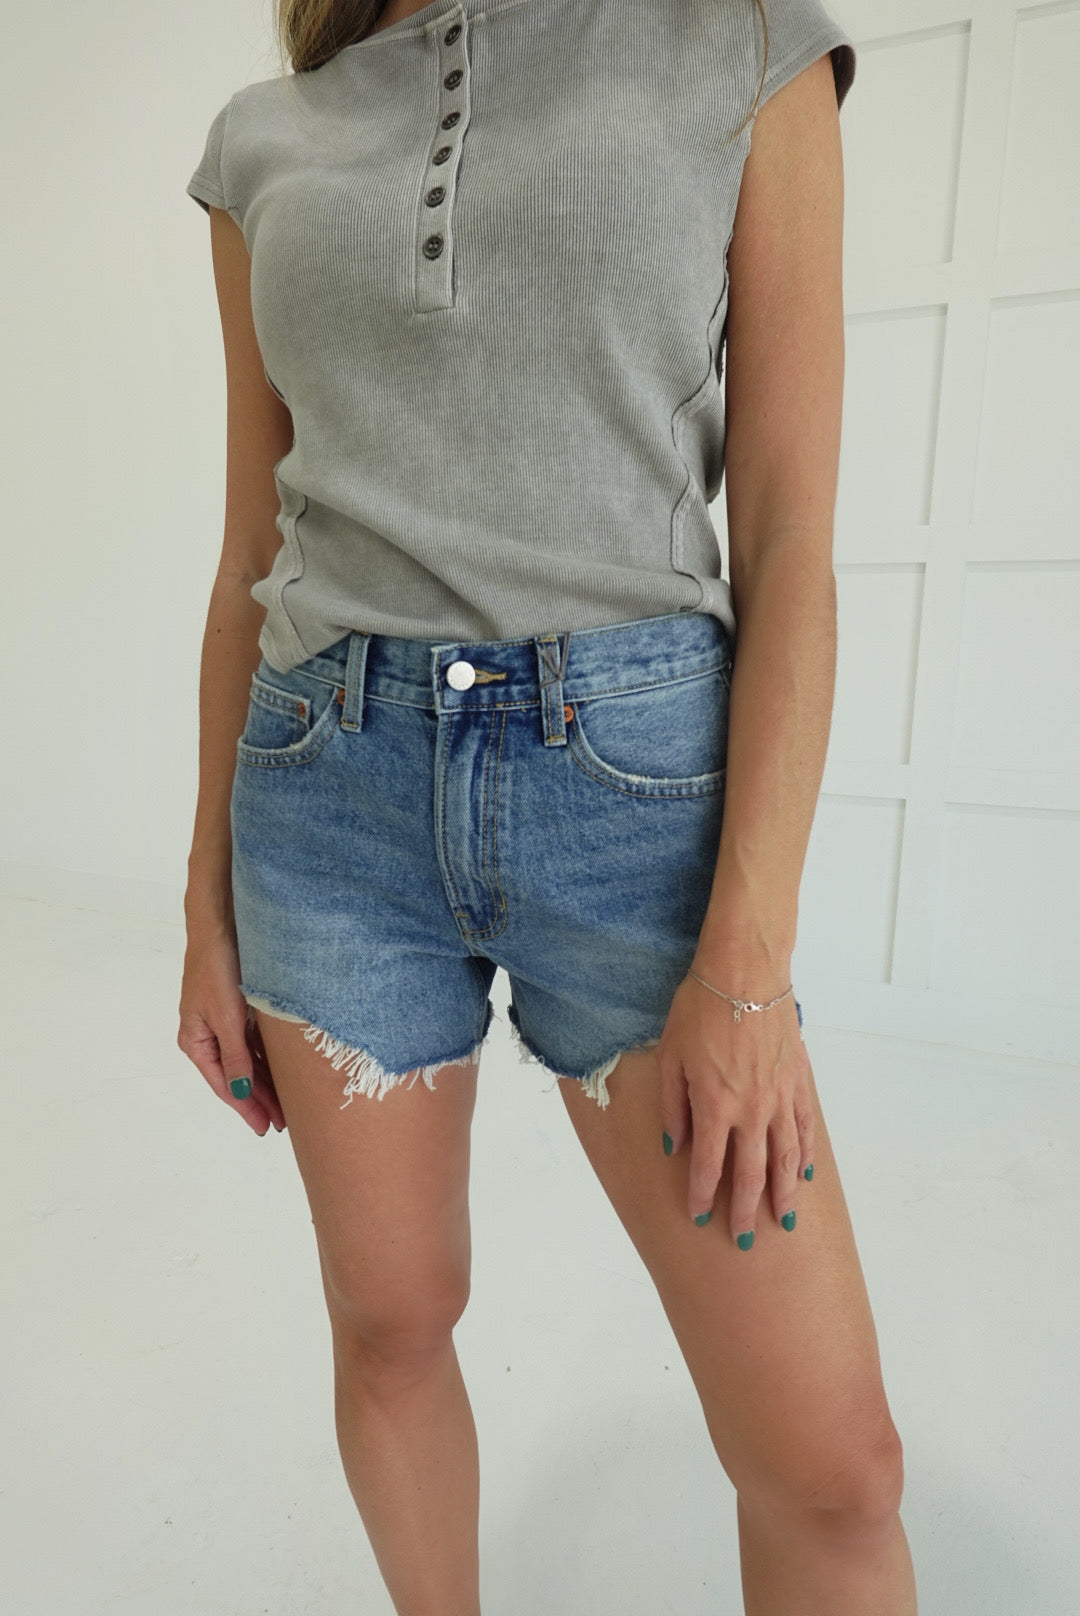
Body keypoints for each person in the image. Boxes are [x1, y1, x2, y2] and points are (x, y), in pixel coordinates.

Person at [178, 0, 918, 1610]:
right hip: (325, 794)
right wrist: (203, 909)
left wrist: (749, 964)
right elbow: (251, 552)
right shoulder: (263, 140)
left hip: (638, 808)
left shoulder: (744, 46)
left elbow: (789, 540)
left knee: (832, 1468)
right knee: (391, 1322)